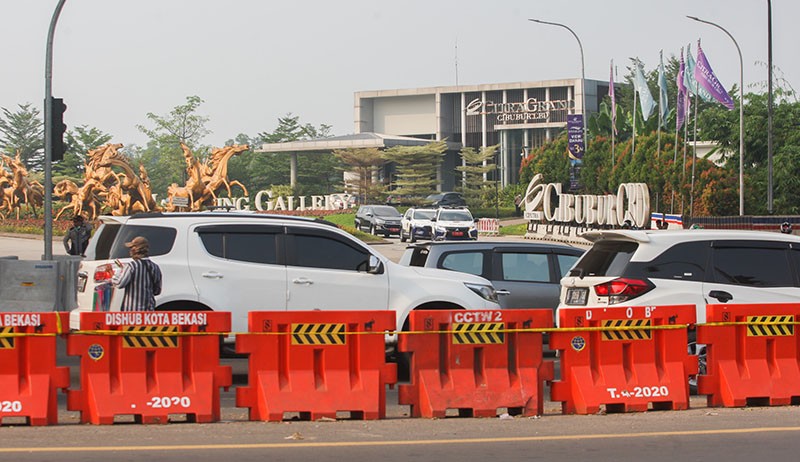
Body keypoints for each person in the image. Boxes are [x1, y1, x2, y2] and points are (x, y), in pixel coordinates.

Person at [111, 236, 162, 312]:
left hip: (132, 312)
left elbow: (119, 283)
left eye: (132, 248)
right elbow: (157, 291)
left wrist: (116, 272)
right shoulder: (155, 267)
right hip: (149, 312)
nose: (130, 250)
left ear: (137, 249)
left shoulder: (132, 266)